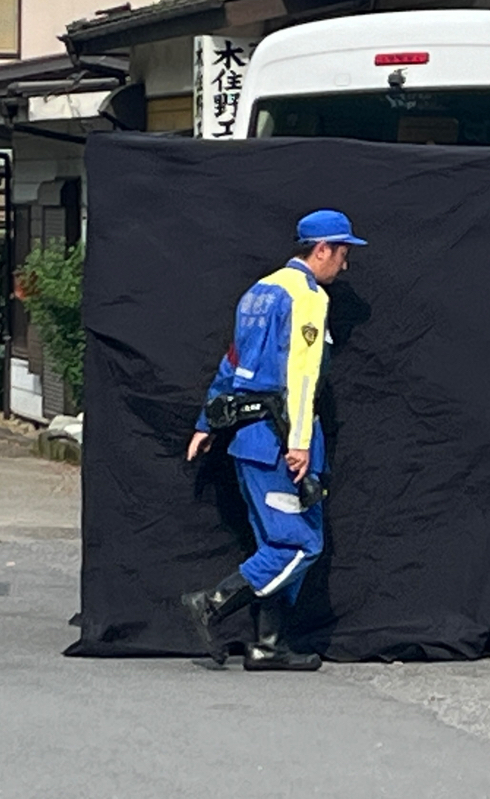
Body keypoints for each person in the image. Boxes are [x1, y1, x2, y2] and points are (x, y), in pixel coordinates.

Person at [180, 209, 364, 671]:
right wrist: (299, 442)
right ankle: (211, 604)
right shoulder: (308, 297)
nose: (344, 265)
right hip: (280, 440)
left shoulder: (257, 292)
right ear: (322, 249)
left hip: (249, 440)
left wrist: (207, 422)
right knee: (298, 545)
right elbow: (302, 376)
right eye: (342, 253)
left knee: (274, 544)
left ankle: (269, 644)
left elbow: (232, 362)